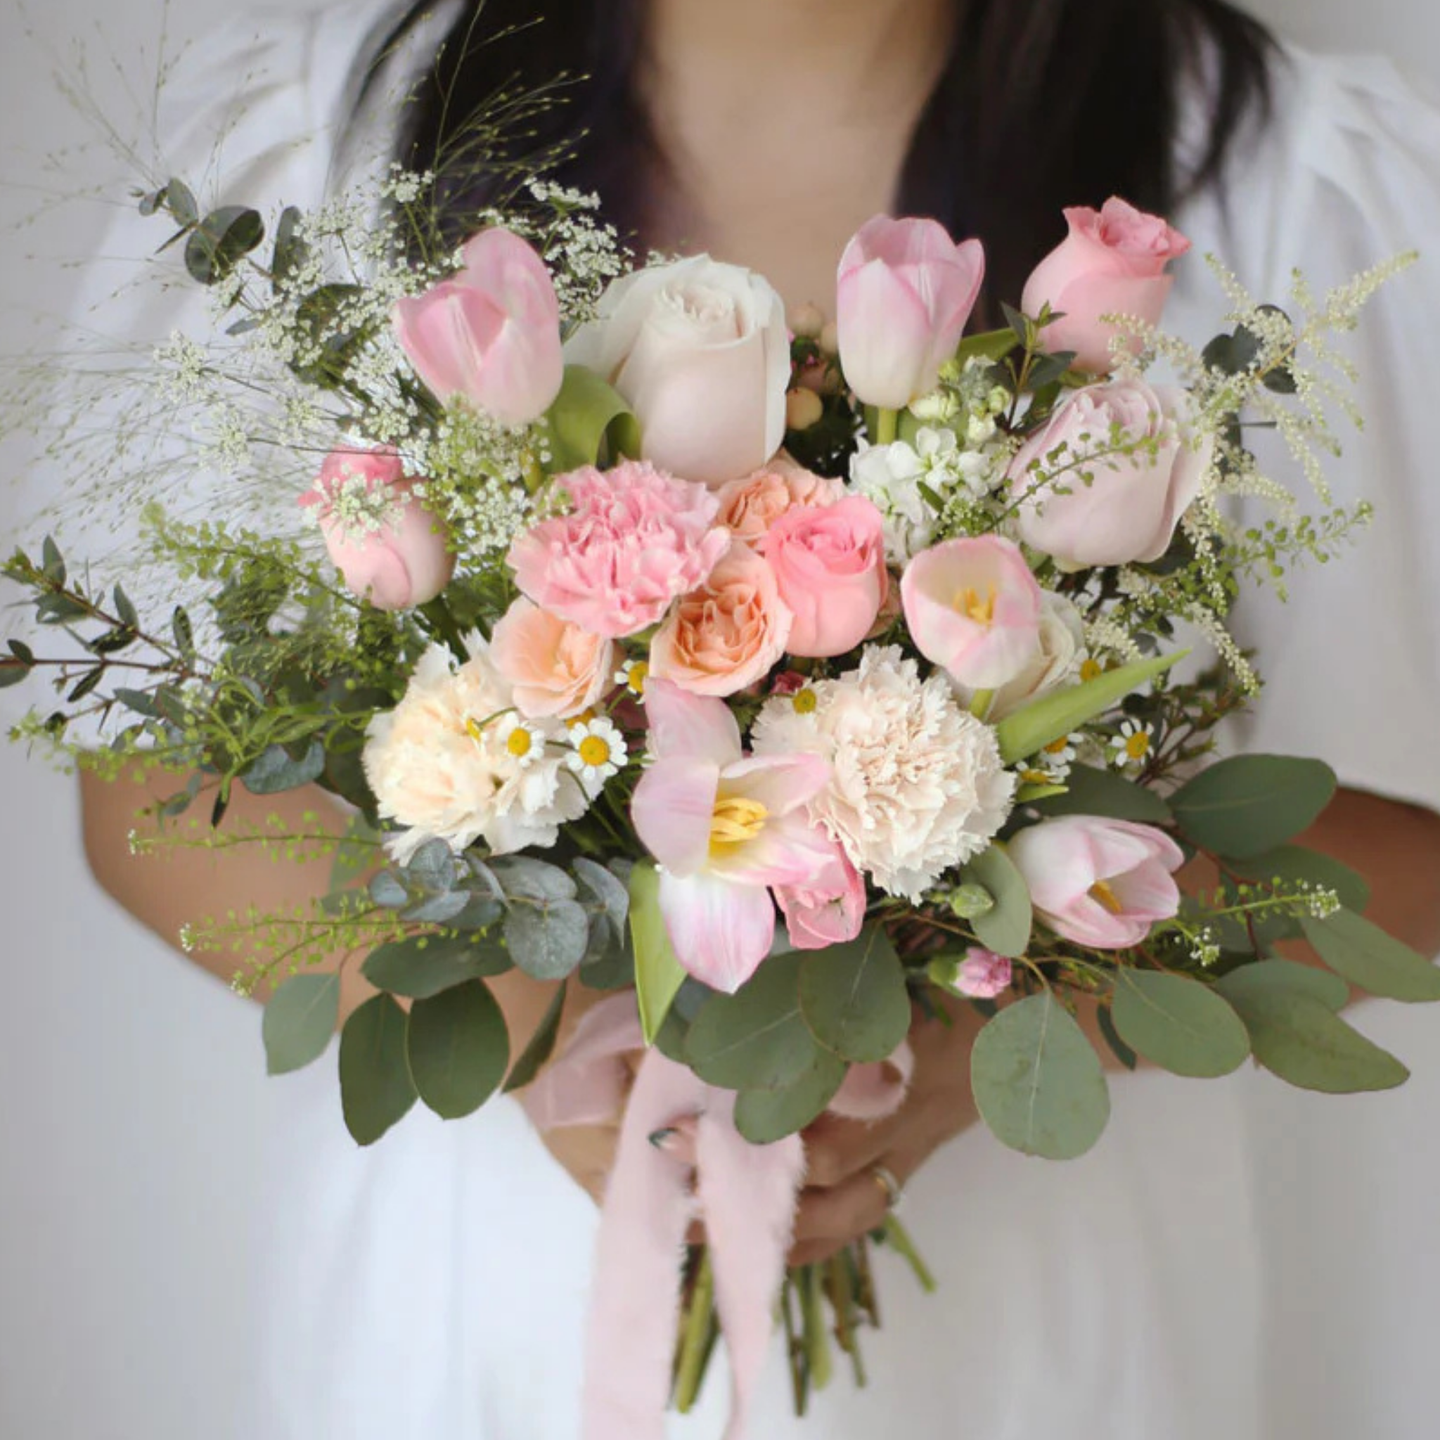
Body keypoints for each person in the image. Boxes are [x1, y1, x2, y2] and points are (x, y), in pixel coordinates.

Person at [54, 0, 1440, 1436]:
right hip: (476, 1321)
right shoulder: (315, 136)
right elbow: (148, 782)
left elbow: (1410, 856)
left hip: (1039, 1343)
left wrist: (998, 1017)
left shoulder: (1292, 185)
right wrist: (545, 1027)